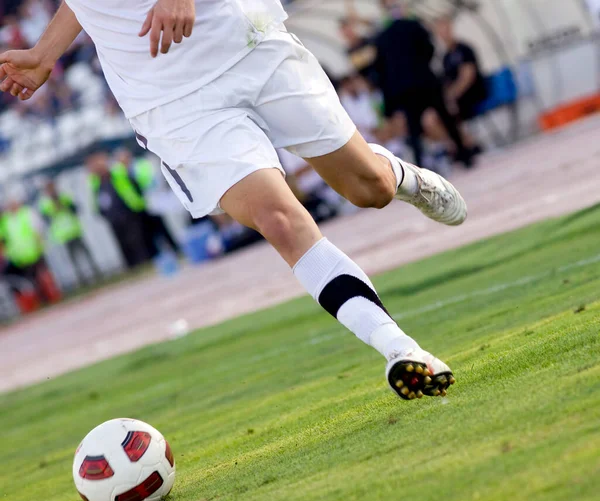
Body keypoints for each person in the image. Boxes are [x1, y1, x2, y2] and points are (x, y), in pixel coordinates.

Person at [0, 0, 467, 401]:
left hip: (243, 41)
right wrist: (45, 53)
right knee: (278, 220)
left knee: (370, 189)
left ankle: (401, 176)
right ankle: (401, 349)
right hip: (168, 97)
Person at [374, 1, 473, 168]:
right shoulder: (414, 26)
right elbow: (429, 49)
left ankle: (420, 166)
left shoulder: (381, 38)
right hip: (425, 81)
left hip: (405, 90)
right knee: (445, 117)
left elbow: (381, 70)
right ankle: (464, 155)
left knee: (414, 129)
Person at [87, 151, 150, 268]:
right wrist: (102, 213)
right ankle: (133, 266)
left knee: (136, 239)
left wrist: (136, 203)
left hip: (128, 210)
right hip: (113, 217)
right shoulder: (96, 181)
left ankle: (145, 262)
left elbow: (131, 185)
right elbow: (97, 198)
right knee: (123, 243)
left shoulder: (116, 172)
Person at [114, 148, 180, 257]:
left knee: (161, 228)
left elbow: (151, 181)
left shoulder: (140, 165)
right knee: (148, 233)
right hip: (138, 207)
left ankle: (174, 249)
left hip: (151, 202)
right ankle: (157, 255)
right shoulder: (120, 173)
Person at [39, 180, 101, 286]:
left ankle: (96, 273)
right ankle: (81, 278)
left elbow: (76, 209)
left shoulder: (64, 196)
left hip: (74, 230)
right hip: (63, 235)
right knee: (72, 259)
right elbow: (45, 219)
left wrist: (64, 205)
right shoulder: (45, 203)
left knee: (86, 253)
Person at [0, 198, 60, 303]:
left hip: (34, 252)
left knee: (42, 277)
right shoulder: (6, 220)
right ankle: (37, 301)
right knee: (29, 281)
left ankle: (51, 298)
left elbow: (38, 230)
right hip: (18, 257)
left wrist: (40, 245)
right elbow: (3, 238)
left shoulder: (27, 213)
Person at [436, 17, 488, 124]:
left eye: (445, 28)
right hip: (459, 97)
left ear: (450, 28)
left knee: (450, 110)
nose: (443, 33)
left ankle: (465, 138)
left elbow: (468, 76)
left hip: (473, 92)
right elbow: (448, 81)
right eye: (440, 30)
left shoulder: (464, 49)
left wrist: (452, 96)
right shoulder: (446, 57)